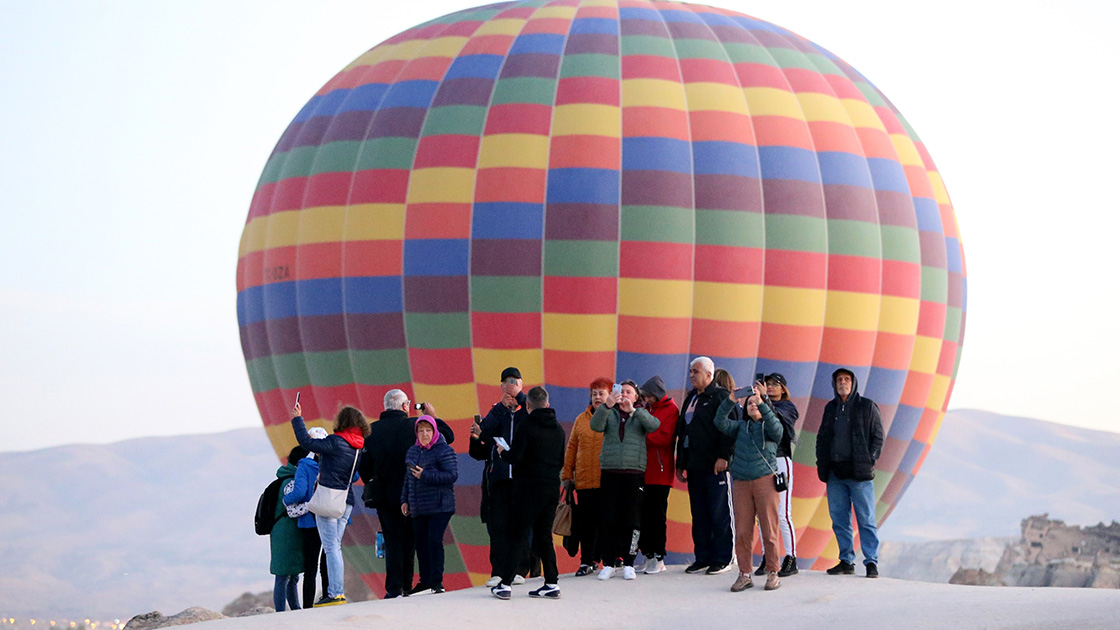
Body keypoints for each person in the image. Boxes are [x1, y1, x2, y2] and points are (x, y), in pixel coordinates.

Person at [359, 390, 454, 598]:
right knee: (413, 540)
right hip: (414, 493)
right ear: (405, 406)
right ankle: (410, 586)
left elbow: (363, 467)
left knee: (392, 541)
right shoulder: (415, 426)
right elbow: (448, 437)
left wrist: (375, 481)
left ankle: (394, 588)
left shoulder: (371, 431)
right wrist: (431, 416)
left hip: (384, 495)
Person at [490, 386, 567, 600]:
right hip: (551, 487)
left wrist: (502, 452)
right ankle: (551, 582)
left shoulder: (526, 426)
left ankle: (505, 583)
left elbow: (515, 457)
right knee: (544, 536)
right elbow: (560, 461)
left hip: (528, 489)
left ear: (528, 406)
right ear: (548, 404)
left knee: (518, 534)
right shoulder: (559, 430)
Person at [291, 402, 369, 606]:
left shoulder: (335, 442)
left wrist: (298, 418)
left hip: (328, 500)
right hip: (346, 502)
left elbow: (306, 442)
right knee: (335, 547)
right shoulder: (358, 447)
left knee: (331, 548)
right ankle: (336, 592)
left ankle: (335, 593)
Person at [713, 382, 784, 592]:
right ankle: (744, 574)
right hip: (742, 482)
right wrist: (730, 401)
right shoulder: (740, 427)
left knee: (769, 528)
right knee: (743, 531)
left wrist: (762, 403)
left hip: (765, 480)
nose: (753, 405)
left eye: (756, 402)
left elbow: (778, 431)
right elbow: (719, 422)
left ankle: (773, 572)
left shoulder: (769, 427)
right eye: (750, 403)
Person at [816, 368, 884, 578]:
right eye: (839, 379)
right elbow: (822, 437)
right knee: (839, 519)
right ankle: (846, 560)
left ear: (853, 383)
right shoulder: (830, 408)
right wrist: (821, 461)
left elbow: (878, 436)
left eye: (846, 379)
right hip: (835, 473)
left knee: (866, 519)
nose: (843, 382)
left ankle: (871, 562)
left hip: (859, 474)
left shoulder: (867, 406)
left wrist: (869, 459)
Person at [590, 380, 660, 581]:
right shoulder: (609, 412)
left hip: (633, 472)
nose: (624, 395)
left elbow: (654, 425)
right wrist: (607, 405)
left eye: (629, 392)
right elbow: (595, 425)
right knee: (608, 518)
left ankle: (629, 562)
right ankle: (609, 563)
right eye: (621, 391)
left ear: (636, 396)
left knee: (632, 519)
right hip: (610, 471)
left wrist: (634, 411)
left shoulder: (640, 413)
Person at [675, 357, 736, 575]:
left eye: (696, 372)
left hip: (715, 466)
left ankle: (723, 558)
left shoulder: (721, 397)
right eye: (690, 371)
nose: (691, 375)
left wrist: (724, 456)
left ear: (709, 375)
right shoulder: (691, 397)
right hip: (694, 466)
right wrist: (680, 462)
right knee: (699, 514)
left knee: (719, 513)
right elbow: (683, 431)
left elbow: (730, 429)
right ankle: (702, 558)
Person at [475, 367, 531, 588]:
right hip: (498, 478)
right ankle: (498, 571)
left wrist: (519, 398)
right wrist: (500, 407)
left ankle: (520, 569)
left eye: (514, 382)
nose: (510, 386)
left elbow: (536, 417)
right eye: (507, 382)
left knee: (520, 525)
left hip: (521, 478)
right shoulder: (497, 411)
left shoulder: (527, 409)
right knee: (498, 526)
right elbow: (484, 432)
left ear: (521, 384)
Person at [401, 415, 458, 594]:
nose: (424, 434)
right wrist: (404, 499)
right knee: (421, 543)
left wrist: (425, 475)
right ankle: (425, 581)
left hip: (440, 505)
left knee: (434, 540)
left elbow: (451, 475)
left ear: (434, 432)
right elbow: (408, 478)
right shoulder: (412, 451)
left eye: (428, 430)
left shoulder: (444, 450)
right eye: (421, 431)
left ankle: (436, 582)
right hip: (418, 506)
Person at [561, 377, 610, 576]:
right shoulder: (581, 419)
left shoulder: (614, 417)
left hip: (606, 480)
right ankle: (586, 561)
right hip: (583, 481)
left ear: (610, 396)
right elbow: (572, 447)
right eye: (594, 394)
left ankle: (604, 560)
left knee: (605, 522)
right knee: (586, 524)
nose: (597, 397)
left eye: (601, 393)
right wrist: (567, 473)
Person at [754, 373, 800, 577]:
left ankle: (791, 557)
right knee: (762, 513)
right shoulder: (756, 403)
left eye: (775, 384)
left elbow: (778, 423)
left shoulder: (788, 407)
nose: (770, 387)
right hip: (761, 461)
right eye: (767, 384)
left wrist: (764, 400)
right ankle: (768, 556)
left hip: (780, 460)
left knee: (782, 513)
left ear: (783, 389)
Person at [283, 428, 329, 607]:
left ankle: (308, 605)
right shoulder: (333, 461)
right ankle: (329, 596)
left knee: (310, 567)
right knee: (328, 559)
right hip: (330, 515)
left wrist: (286, 500)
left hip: (310, 520)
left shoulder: (304, 464)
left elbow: (300, 491)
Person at [637, 375, 678, 574]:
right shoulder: (647, 409)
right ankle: (647, 554)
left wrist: (641, 436)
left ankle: (659, 556)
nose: (646, 399)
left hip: (660, 472)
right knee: (643, 516)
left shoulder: (671, 410)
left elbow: (664, 438)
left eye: (648, 396)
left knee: (657, 516)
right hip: (644, 469)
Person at [270, 446, 307, 611]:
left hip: (281, 531)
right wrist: (313, 505)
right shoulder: (291, 482)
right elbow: (292, 510)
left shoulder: (283, 479)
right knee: (284, 575)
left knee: (290, 574)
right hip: (287, 532)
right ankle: (282, 611)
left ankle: (293, 608)